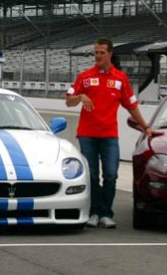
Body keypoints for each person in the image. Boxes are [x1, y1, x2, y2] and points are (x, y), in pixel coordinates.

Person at [66, 38, 159, 229]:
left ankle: (106, 213)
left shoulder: (120, 79)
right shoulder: (84, 77)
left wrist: (146, 127)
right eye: (96, 52)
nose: (98, 56)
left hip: (109, 135)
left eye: (101, 52)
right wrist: (80, 96)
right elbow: (69, 101)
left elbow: (132, 106)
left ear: (110, 54)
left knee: (110, 175)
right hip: (87, 135)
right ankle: (94, 212)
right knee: (91, 176)